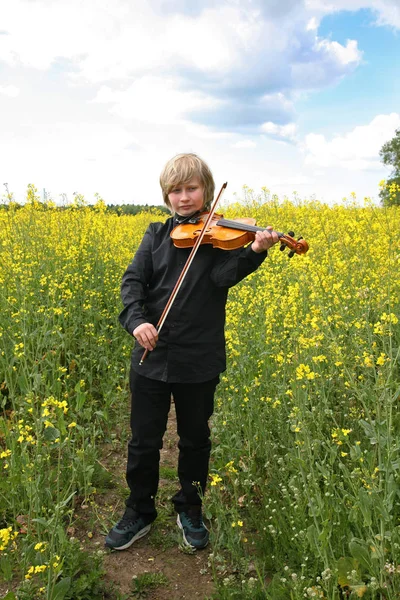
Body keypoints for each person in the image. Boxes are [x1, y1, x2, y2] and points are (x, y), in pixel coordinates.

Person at [105, 153, 279, 551]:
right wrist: (137, 322)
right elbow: (133, 283)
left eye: (192, 188)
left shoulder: (220, 237)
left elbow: (221, 277)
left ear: (206, 190)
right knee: (143, 440)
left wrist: (254, 252)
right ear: (166, 195)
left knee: (195, 438)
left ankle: (190, 508)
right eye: (176, 190)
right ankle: (139, 510)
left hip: (199, 356)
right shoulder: (155, 234)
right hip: (151, 352)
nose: (184, 197)